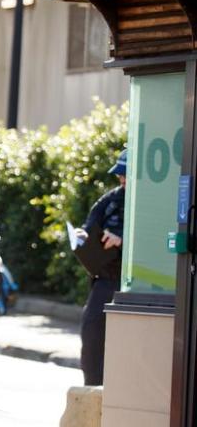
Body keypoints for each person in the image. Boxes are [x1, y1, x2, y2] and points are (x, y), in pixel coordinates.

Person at [73, 149, 127, 386]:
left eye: (126, 175)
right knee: (92, 335)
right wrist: (82, 237)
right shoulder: (110, 200)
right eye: (120, 175)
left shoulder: (152, 203)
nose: (122, 179)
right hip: (105, 280)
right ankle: (93, 392)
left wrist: (123, 241)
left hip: (137, 284)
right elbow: (89, 227)